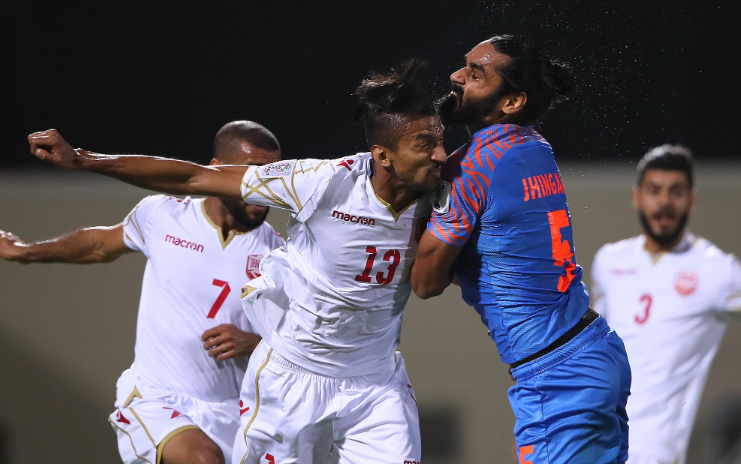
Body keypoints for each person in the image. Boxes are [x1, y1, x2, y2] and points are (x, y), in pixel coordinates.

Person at [26, 60, 445, 464]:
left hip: (373, 378)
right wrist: (80, 160)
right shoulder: (321, 184)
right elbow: (180, 185)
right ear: (383, 155)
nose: (441, 155)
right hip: (278, 382)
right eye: (425, 145)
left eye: (440, 141)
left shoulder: (445, 190)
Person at [1, 120, 285, 464]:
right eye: (254, 172)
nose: (265, 185)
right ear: (217, 169)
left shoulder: (282, 255)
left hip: (237, 412)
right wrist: (25, 251)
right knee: (203, 461)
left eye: (274, 173)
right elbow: (98, 245)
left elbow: (305, 340)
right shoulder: (163, 216)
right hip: (159, 398)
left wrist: (256, 343)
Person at [410, 35, 631, 464]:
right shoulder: (534, 145)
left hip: (557, 375)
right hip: (592, 354)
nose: (456, 77)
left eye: (476, 74)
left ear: (511, 101)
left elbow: (424, 283)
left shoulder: (472, 164)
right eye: (464, 66)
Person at [591, 145, 741, 464]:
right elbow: (589, 354)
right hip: (591, 443)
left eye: (676, 192)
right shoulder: (609, 261)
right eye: (654, 191)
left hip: (652, 453)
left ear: (691, 200)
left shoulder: (717, 270)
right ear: (637, 197)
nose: (664, 202)